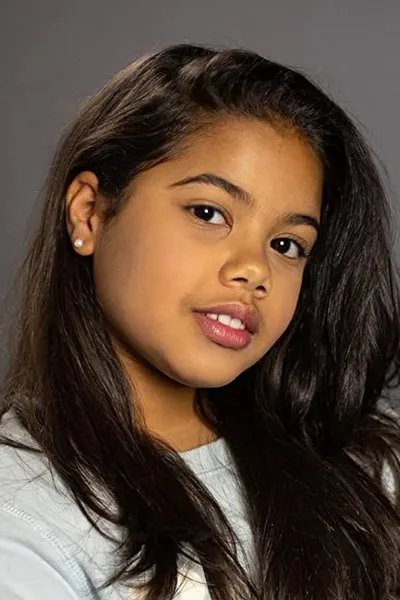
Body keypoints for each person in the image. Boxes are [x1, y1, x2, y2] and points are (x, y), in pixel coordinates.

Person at [0, 42, 399, 600]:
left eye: (287, 244)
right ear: (89, 213)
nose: (254, 269)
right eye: (208, 213)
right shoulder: (22, 520)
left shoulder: (362, 462)